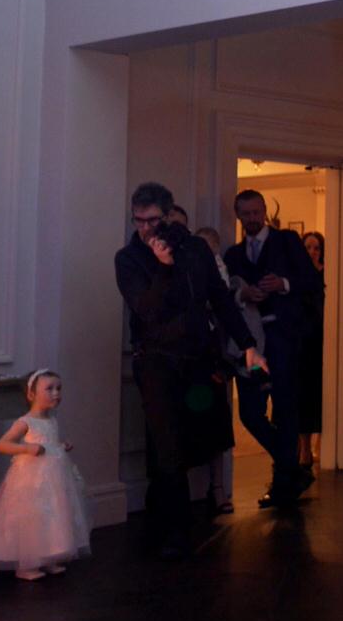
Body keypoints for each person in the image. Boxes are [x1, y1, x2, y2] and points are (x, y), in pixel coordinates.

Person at [116, 182, 264, 557]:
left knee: (194, 438)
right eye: (138, 220)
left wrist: (248, 344)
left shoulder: (195, 249)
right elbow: (146, 308)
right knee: (166, 446)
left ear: (167, 216)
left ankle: (167, 515)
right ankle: (174, 532)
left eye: (151, 220)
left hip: (197, 361)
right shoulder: (128, 258)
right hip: (154, 361)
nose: (144, 228)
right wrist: (163, 269)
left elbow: (220, 300)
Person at [224, 189, 322, 507]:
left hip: (284, 341)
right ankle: (291, 469)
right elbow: (224, 297)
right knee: (250, 412)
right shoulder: (234, 255)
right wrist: (243, 295)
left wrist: (283, 284)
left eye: (257, 212)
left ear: (264, 211)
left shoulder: (288, 241)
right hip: (251, 345)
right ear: (238, 215)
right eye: (246, 214)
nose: (252, 219)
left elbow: (312, 282)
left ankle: (283, 484)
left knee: (285, 410)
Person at [0, 370, 91, 581]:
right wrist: (27, 449)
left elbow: (48, 444)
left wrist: (60, 446)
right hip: (32, 479)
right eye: (49, 389)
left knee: (52, 514)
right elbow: (3, 444)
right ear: (32, 394)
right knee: (32, 516)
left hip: (54, 478)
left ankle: (48, 556)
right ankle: (26, 563)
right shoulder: (26, 422)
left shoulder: (52, 420)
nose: (56, 393)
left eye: (59, 388)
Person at [193, 226, 238, 515]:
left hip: (215, 354)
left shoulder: (223, 276)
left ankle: (218, 486)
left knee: (219, 422)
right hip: (191, 357)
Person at [297, 231, 328, 467]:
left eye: (316, 247)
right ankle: (303, 448)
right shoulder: (296, 274)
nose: (312, 251)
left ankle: (321, 445)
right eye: (308, 247)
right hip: (302, 342)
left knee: (323, 394)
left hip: (323, 340)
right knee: (303, 397)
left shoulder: (328, 273)